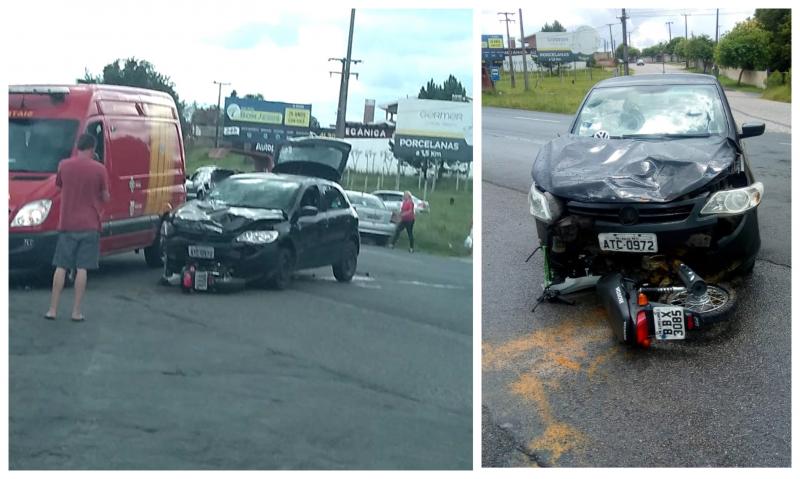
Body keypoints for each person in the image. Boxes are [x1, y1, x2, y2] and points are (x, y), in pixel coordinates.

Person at [45, 133, 110, 322]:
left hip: (67, 223)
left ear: (78, 146)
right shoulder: (99, 169)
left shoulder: (64, 165)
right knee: (82, 268)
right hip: (90, 225)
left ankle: (53, 309)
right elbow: (106, 197)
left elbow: (59, 185)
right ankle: (76, 311)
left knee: (61, 266)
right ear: (92, 148)